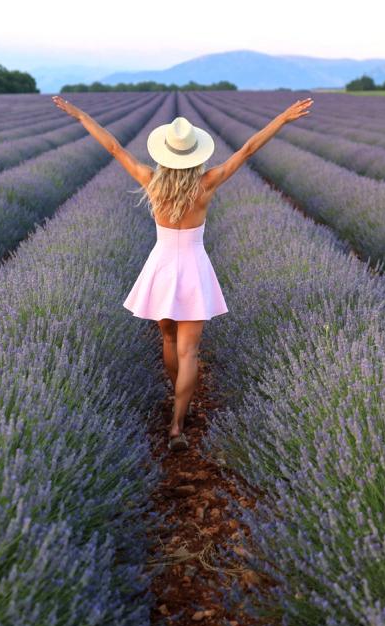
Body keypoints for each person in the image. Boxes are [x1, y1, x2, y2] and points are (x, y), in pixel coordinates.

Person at [52, 94, 313, 450]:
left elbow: (113, 147)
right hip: (192, 268)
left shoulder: (150, 180)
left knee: (169, 339)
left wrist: (81, 115)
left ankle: (179, 400)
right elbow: (249, 149)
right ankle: (178, 423)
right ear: (195, 154)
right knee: (190, 351)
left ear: (164, 153)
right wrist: (282, 118)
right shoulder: (206, 184)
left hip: (160, 267)